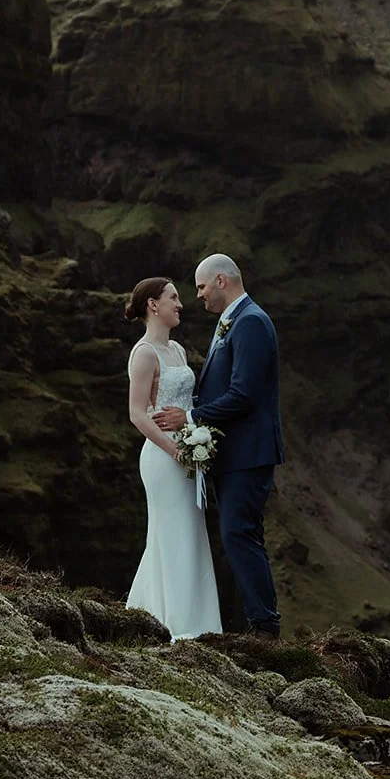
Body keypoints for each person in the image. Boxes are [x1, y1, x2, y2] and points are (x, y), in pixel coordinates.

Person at [153, 253, 283, 638]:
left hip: (248, 452)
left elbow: (244, 394)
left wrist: (191, 417)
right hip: (235, 453)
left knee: (239, 533)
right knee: (238, 533)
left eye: (201, 287)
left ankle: (265, 627)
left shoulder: (251, 322)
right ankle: (261, 622)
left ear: (221, 281)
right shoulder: (232, 322)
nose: (198, 295)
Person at [124, 276, 223, 639]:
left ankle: (196, 623)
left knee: (190, 534)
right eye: (173, 298)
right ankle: (172, 623)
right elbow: (137, 413)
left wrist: (196, 434)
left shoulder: (178, 350)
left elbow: (186, 403)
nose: (180, 304)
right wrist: (176, 450)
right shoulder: (144, 353)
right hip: (164, 458)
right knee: (170, 535)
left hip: (188, 451)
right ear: (153, 305)